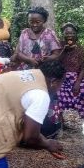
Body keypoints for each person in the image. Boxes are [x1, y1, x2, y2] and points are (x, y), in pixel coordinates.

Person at [16, 7, 63, 138]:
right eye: (31, 21)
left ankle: (49, 130)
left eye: (38, 21)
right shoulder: (24, 33)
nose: (34, 24)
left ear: (44, 21)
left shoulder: (49, 34)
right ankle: (26, 130)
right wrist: (29, 60)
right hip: (26, 72)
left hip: (44, 73)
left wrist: (47, 59)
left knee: (47, 98)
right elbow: (18, 52)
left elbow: (56, 53)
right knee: (26, 98)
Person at [57, 23, 84, 121]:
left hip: (77, 77)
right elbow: (55, 61)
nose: (69, 35)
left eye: (72, 33)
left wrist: (78, 82)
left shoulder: (80, 49)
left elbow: (83, 67)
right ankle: (59, 123)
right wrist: (64, 50)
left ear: (76, 34)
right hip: (61, 77)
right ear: (63, 34)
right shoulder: (59, 46)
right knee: (56, 93)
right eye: (67, 33)